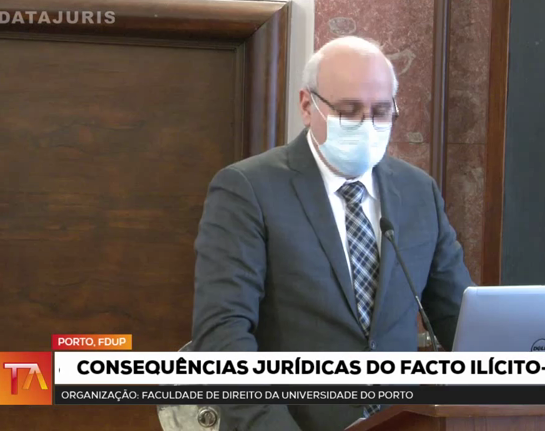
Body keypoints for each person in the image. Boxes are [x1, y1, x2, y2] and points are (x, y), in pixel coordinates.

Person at [191, 36, 474, 431]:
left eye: (381, 112)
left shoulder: (417, 191)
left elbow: (458, 317)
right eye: (349, 111)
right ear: (308, 106)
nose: (367, 126)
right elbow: (222, 334)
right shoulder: (248, 189)